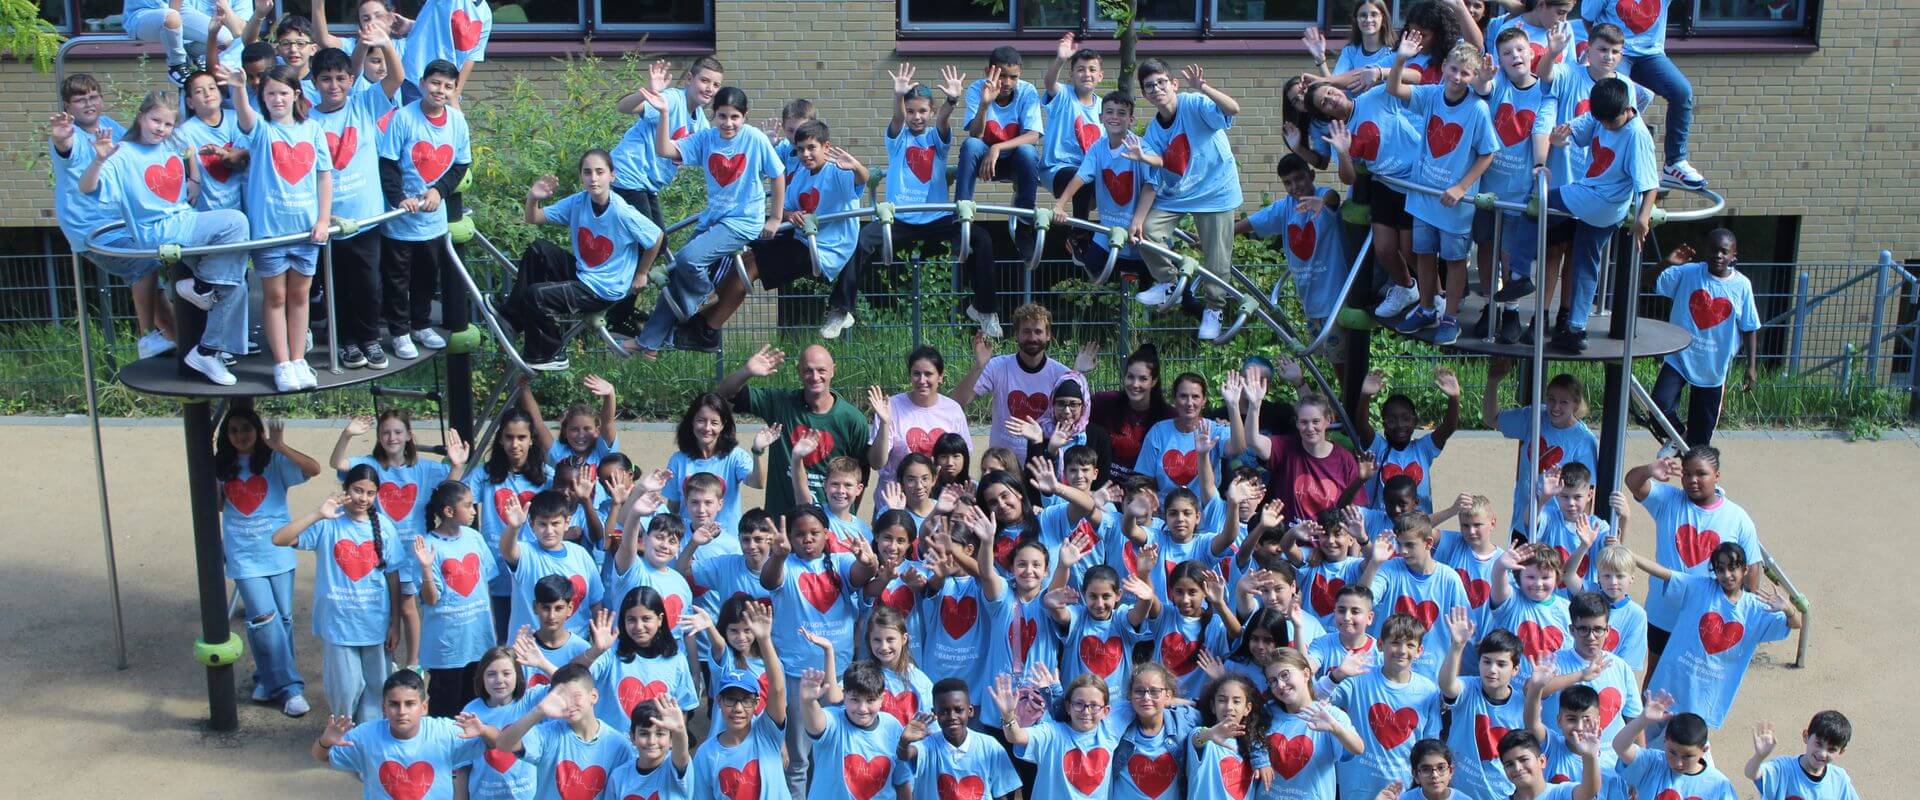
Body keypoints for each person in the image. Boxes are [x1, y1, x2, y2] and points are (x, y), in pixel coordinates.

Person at [76, 89, 252, 385]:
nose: (161, 128)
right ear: (141, 117)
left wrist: (194, 178)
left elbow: (191, 153)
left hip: (184, 222)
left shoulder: (172, 143)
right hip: (157, 232)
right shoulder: (123, 153)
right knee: (235, 222)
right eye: (155, 120)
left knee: (235, 286)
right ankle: (200, 285)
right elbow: (86, 188)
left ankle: (208, 350)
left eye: (168, 124)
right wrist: (98, 160)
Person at [1510, 78, 1661, 353]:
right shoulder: (1601, 114)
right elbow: (1570, 132)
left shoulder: (1638, 135)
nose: (1605, 126)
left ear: (1628, 109)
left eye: (1611, 122)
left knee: (1535, 205)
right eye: (1601, 120)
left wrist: (1642, 218)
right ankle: (1576, 328)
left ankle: (1519, 274)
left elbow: (1650, 184)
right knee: (1586, 261)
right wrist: (1558, 137)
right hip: (1604, 208)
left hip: (1598, 198)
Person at [631, 84, 783, 357]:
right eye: (722, 116)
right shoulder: (706, 139)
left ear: (745, 116)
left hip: (742, 221)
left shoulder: (754, 139)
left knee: (689, 258)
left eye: (734, 117)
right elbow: (665, 149)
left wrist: (774, 217)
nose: (728, 123)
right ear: (714, 115)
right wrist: (664, 112)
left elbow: (778, 174)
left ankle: (704, 294)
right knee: (677, 270)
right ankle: (649, 342)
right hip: (713, 220)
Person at [703, 120, 867, 343]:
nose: (805, 154)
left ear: (826, 147)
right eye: (800, 149)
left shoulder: (837, 171)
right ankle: (705, 304)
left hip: (825, 249)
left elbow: (861, 180)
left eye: (811, 148)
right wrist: (791, 215)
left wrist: (857, 167)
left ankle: (707, 328)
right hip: (801, 238)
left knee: (751, 266)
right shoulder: (800, 174)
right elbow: (785, 207)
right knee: (742, 252)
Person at [49, 74, 176, 360]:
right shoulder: (70, 136)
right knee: (145, 263)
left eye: (93, 97)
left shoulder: (110, 127)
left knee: (153, 284)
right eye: (80, 100)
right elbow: (64, 147)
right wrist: (61, 137)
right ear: (68, 106)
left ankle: (180, 345)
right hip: (92, 228)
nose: (89, 104)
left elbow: (139, 145)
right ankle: (147, 337)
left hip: (123, 222)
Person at [273, 465, 410, 722]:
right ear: (345, 489)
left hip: (375, 624)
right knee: (345, 688)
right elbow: (280, 539)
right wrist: (318, 514)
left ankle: (368, 738)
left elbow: (394, 577)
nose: (363, 498)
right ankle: (342, 734)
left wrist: (395, 624)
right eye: (357, 490)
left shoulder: (384, 527)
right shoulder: (328, 524)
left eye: (370, 493)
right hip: (339, 625)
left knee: (377, 687)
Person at [1385, 33, 1497, 346]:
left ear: (1474, 77)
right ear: (1444, 67)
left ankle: (1449, 317)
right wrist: (1401, 58)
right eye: (1453, 69)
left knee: (1454, 258)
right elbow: (1394, 88)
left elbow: (1488, 152)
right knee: (1423, 252)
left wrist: (1462, 186)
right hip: (1425, 196)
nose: (1458, 77)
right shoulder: (1432, 95)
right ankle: (1425, 307)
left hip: (1454, 204)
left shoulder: (1477, 110)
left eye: (1465, 73)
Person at [228, 62, 333, 391]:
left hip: (306, 230)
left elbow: (324, 175)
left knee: (300, 296)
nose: (277, 99)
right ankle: (282, 362)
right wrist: (238, 89)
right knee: (274, 297)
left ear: (295, 95)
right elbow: (245, 117)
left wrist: (323, 219)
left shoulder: (312, 130)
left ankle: (299, 358)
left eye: (283, 93)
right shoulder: (262, 130)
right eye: (270, 93)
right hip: (270, 231)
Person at [1125, 58, 1244, 340]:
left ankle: (1214, 310)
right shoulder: (1153, 130)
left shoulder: (1193, 104)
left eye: (1161, 83)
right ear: (1144, 94)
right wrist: (1143, 158)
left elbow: (1232, 109)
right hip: (1180, 192)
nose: (1156, 89)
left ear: (1174, 84)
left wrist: (1205, 88)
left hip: (1216, 190)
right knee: (1147, 232)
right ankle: (1169, 283)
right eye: (1149, 86)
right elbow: (1159, 164)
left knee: (1216, 256)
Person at [513, 150, 664, 370]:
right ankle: (512, 316)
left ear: (612, 176)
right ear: (581, 177)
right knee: (538, 250)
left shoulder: (621, 212)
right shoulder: (578, 202)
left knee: (536, 295)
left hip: (603, 289)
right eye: (587, 172)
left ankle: (552, 353)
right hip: (584, 274)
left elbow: (656, 236)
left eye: (599, 172)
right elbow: (533, 218)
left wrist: (641, 273)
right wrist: (533, 198)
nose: (593, 178)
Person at [216, 409, 321, 716]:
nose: (240, 435)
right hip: (243, 555)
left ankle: (266, 677)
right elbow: (217, 505)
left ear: (257, 431)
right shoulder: (222, 466)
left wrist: (280, 446)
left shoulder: (273, 462)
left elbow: (313, 468)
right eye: (233, 430)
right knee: (263, 619)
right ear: (226, 436)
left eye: (246, 429)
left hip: (278, 552)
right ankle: (289, 688)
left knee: (283, 619)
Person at [1629, 541, 1799, 731]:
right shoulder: (1700, 587)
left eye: (1733, 568)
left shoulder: (1755, 608)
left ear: (1744, 568)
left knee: (1688, 750)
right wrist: (1631, 556)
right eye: (1720, 569)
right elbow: (1665, 573)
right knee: (1648, 743)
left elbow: (1795, 624)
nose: (1727, 575)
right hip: (1670, 684)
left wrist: (1787, 609)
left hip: (1703, 699)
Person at [1622, 446, 1761, 675]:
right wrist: (1649, 469)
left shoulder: (1738, 518)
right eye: (1687, 474)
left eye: (1701, 474)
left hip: (1709, 617)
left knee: (1698, 678)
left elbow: (1752, 574)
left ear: (1717, 475)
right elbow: (1632, 482)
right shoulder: (1667, 499)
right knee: (1656, 674)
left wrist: (1744, 615)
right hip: (1663, 611)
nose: (1692, 480)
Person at [309, 40, 404, 369]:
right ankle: (346, 341)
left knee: (368, 285)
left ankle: (370, 338)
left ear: (352, 79)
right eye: (325, 79)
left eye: (340, 78)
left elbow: (395, 78)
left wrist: (384, 44)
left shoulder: (364, 105)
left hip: (365, 220)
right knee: (337, 287)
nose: (333, 85)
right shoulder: (308, 122)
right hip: (329, 223)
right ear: (314, 82)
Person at [378, 59, 470, 361]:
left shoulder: (457, 121)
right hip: (401, 220)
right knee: (397, 278)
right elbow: (388, 163)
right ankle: (399, 331)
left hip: (433, 220)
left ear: (454, 90)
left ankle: (420, 324)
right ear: (422, 84)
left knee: (427, 276)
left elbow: (460, 164)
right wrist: (398, 198)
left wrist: (439, 191)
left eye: (447, 86)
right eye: (435, 83)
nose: (440, 90)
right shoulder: (403, 118)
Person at [1475, 26, 1559, 344]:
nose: (1515, 57)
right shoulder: (1497, 85)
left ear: (1531, 52)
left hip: (1520, 190)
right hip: (1487, 186)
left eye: (1520, 50)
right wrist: (1483, 76)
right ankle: (1489, 304)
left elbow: (1542, 131)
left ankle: (1510, 309)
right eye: (1507, 53)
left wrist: (1540, 167)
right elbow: (1482, 89)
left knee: (1510, 253)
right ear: (1499, 59)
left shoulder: (1545, 92)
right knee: (1486, 246)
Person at [717, 344, 871, 514]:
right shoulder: (780, 404)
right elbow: (724, 394)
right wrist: (746, 371)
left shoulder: (852, 419)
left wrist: (848, 517)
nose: (815, 377)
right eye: (808, 370)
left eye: (821, 370)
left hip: (830, 525)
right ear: (798, 371)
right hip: (782, 520)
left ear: (833, 370)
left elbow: (861, 473)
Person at [1649, 231, 1759, 448]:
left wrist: (1751, 366)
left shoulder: (1742, 286)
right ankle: (1678, 437)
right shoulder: (1689, 273)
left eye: (1724, 251)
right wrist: (1666, 262)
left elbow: (1749, 327)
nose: (1718, 255)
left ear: (1733, 255)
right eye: (1713, 249)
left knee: (1700, 442)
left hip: (1713, 366)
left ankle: (1691, 457)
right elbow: (1647, 281)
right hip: (1679, 356)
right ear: (1705, 250)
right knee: (1658, 406)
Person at [1580, 0, 1706, 189]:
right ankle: (1610, 163)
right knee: (1618, 95)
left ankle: (1675, 163)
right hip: (1618, 50)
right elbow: (1588, 19)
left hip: (1650, 54)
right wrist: (1604, 53)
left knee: (1681, 92)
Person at [315, 670, 491, 798]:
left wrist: (484, 731)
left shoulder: (443, 732)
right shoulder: (366, 736)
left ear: (424, 707)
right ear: (384, 708)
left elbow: (500, 743)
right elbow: (322, 756)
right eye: (394, 704)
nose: (401, 711)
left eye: (409, 703)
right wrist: (325, 741)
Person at [1326, 612, 1443, 800]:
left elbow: (1429, 745)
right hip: (1355, 785)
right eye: (1395, 643)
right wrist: (1337, 674)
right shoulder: (1359, 678)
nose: (1402, 650)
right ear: (1380, 644)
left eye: (1410, 645)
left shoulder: (1428, 690)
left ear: (1420, 651)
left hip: (1399, 788)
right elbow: (1319, 700)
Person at [410, 479, 498, 716]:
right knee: (446, 706)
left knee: (478, 704)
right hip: (446, 649)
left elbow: (487, 579)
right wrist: (427, 568)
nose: (473, 510)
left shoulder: (473, 537)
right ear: (449, 511)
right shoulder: (427, 546)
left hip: (478, 642)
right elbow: (430, 599)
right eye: (468, 506)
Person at [1484, 361, 1597, 541]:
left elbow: (1587, 491)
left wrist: (1579, 534)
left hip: (1557, 529)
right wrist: (1492, 382)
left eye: (1563, 402)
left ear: (1575, 405)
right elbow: (1492, 419)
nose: (1555, 407)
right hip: (1525, 520)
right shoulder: (1535, 416)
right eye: (1551, 399)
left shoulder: (1584, 440)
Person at [494, 663, 638, 800]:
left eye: (576, 696)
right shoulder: (548, 734)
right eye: (562, 697)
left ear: (593, 696)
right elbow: (503, 743)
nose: (569, 703)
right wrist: (538, 712)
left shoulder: (618, 745)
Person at [1236, 154, 1350, 326]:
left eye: (1299, 179)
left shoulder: (1322, 198)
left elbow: (1333, 196)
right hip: (1311, 305)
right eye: (1288, 183)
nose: (1294, 186)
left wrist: (1322, 202)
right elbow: (1249, 223)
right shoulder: (1285, 207)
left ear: (1311, 175)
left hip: (1336, 302)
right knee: (1317, 353)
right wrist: (1216, 237)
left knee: (1336, 352)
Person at [1358, 514, 1472, 678]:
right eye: (1400, 544)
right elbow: (1362, 602)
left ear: (1428, 543)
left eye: (1410, 545)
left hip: (1431, 676)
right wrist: (1374, 563)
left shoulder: (1449, 579)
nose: (1403, 551)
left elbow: (1465, 626)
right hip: (1387, 671)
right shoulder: (1390, 568)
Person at [956, 46, 1043, 249]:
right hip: (983, 162)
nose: (1007, 83)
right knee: (971, 145)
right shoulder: (978, 89)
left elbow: (1033, 136)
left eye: (1013, 77)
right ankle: (960, 222)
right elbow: (976, 134)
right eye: (1002, 76)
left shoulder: (1027, 91)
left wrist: (996, 148)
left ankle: (1024, 225)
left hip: (1014, 162)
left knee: (1028, 152)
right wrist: (985, 104)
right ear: (989, 72)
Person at [1436, 611, 1527, 800]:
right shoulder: (1468, 687)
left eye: (1501, 664)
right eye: (1487, 661)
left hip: (1501, 794)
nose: (1492, 669)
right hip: (1457, 793)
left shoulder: (1523, 705)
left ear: (1515, 669)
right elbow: (1447, 685)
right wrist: (1457, 646)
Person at [955, 305, 1071, 452]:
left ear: (1048, 335)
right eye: (1026, 331)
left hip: (1043, 462)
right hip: (1002, 463)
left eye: (1038, 331)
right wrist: (979, 365)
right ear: (1017, 334)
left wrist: (1079, 373)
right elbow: (959, 401)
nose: (1032, 338)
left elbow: (1074, 417)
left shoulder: (1061, 374)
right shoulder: (997, 366)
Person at [665, 393, 776, 547]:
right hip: (688, 543)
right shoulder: (678, 460)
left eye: (714, 422)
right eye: (701, 421)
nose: (707, 428)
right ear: (691, 422)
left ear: (723, 425)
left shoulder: (735, 456)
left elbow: (758, 482)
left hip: (726, 543)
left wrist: (758, 451)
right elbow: (673, 507)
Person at [1052, 91, 1143, 277]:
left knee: (1150, 276)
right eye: (1109, 112)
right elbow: (1081, 177)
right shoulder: (1098, 148)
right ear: (1101, 117)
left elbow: (1152, 186)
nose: (1115, 117)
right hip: (1109, 226)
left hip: (1137, 226)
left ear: (1131, 119)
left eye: (1121, 113)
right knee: (1092, 265)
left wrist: (1139, 220)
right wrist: (1060, 205)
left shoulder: (1140, 147)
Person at [868, 346, 972, 509]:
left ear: (941, 377)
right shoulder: (891, 406)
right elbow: (876, 463)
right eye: (916, 373)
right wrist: (885, 423)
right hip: (894, 505)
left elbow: (962, 461)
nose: (922, 380)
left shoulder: (953, 410)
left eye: (928, 374)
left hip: (938, 505)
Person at [798, 660, 910, 800]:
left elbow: (902, 779)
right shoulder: (834, 721)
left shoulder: (893, 726)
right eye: (855, 700)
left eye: (870, 700)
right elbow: (815, 724)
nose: (862, 709)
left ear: (882, 699)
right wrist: (808, 702)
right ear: (844, 696)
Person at [1352, 368, 1459, 513]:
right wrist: (1365, 396)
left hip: (1417, 529)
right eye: (1392, 420)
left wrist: (1454, 398)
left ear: (1415, 421)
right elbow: (1362, 426)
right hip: (1383, 530)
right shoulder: (1377, 447)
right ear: (1383, 424)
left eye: (1406, 419)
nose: (1400, 425)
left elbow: (1448, 428)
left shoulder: (1423, 449)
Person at [898, 678, 1023, 800]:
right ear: (935, 713)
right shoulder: (927, 746)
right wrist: (904, 741)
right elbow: (905, 754)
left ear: (970, 710)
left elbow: (1002, 794)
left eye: (958, 710)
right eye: (944, 711)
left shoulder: (990, 746)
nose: (952, 716)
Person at [1040, 34, 1103, 237]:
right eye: (1081, 70)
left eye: (1092, 70)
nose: (1087, 74)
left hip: (1091, 174)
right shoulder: (1065, 95)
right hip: (1058, 169)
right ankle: (1079, 236)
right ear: (1072, 75)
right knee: (1081, 177)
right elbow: (1050, 83)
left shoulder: (1104, 107)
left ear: (1100, 76)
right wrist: (1061, 59)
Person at [1613, 698, 1737, 800]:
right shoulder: (1653, 764)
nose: (1678, 762)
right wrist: (1642, 720)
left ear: (1704, 750)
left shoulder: (1719, 786)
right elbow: (1620, 746)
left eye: (1687, 756)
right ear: (1664, 742)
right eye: (1672, 752)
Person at [1134, 373, 1235, 498]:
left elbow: (1238, 447)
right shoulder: (1158, 432)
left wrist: (1233, 406)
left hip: (1206, 511)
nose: (1189, 403)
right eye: (1183, 396)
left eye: (1195, 397)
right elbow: (1144, 480)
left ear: (1204, 400)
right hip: (1165, 513)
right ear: (1174, 399)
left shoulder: (1214, 430)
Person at [1089, 343, 1172, 479]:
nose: (1135, 384)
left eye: (1143, 379)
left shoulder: (1167, 416)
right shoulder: (1105, 402)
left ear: (1154, 381)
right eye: (1130, 377)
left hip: (1144, 491)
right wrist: (1078, 372)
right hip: (1104, 489)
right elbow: (1071, 404)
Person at [1745, 711, 1859, 800]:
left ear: (1841, 751)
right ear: (1806, 736)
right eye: (1818, 744)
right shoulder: (1783, 769)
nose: (1822, 753)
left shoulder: (1839, 779)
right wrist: (1759, 757)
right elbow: (1751, 773)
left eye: (1831, 749)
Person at [125, 0, 240, 85]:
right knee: (172, 18)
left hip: (180, 7)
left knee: (225, 39)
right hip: (143, 11)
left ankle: (195, 55)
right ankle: (177, 64)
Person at [401, 0, 493, 98]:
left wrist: (455, 95)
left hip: (446, 89)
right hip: (416, 79)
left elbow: (471, 57)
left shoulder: (485, 13)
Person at [1499, 728, 1606, 800]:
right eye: (1509, 764)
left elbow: (1588, 791)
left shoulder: (1561, 793)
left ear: (1542, 761)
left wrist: (1590, 757)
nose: (1517, 768)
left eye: (1523, 760)